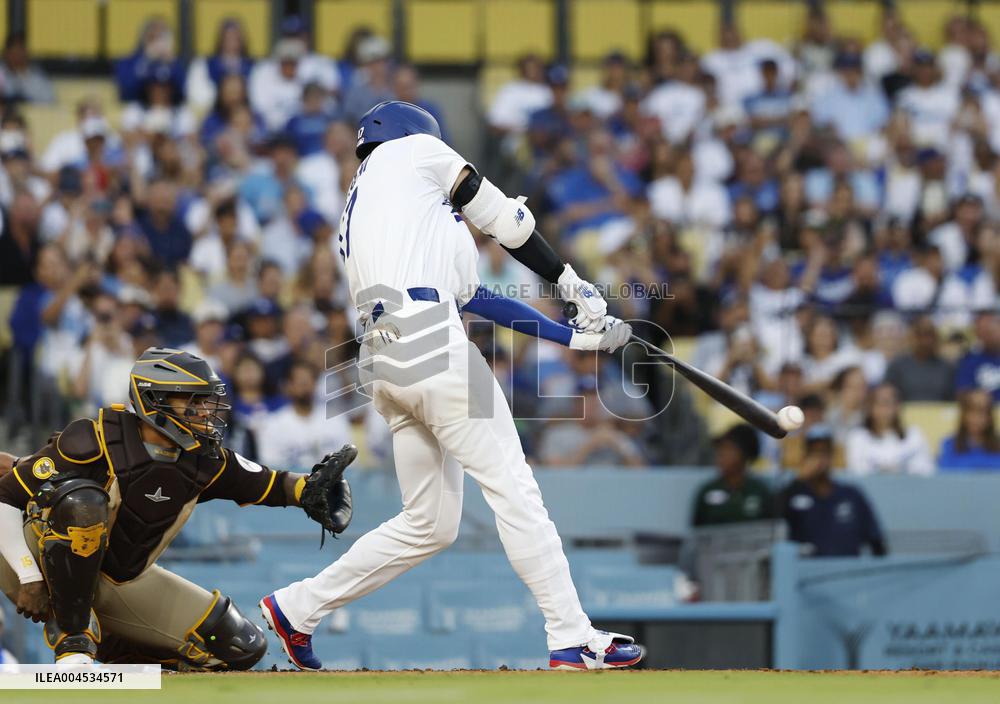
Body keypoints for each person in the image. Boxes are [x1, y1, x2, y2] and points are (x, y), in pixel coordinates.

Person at [260, 100, 642, 672]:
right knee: (515, 487)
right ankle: (572, 636)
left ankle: (297, 608)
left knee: (429, 524)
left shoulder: (370, 208)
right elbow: (509, 222)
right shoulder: (416, 150)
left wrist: (571, 336)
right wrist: (570, 279)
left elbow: (475, 297)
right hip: (430, 341)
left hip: (382, 361)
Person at [0, 348, 353, 665]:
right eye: (194, 402)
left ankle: (118, 652)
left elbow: (271, 484)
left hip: (119, 580)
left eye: (206, 403)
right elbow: (5, 497)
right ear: (154, 400)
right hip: (32, 565)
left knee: (240, 645)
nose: (204, 413)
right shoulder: (91, 439)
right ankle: (73, 644)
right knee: (83, 503)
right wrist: (29, 575)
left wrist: (309, 490)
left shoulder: (206, 461)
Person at [781, 424, 887, 557]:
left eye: (825, 452)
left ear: (832, 456)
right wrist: (799, 479)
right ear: (805, 456)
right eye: (814, 452)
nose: (820, 459)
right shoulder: (794, 493)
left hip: (845, 573)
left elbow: (877, 541)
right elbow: (772, 518)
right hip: (806, 573)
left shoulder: (852, 495)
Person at [256, 359, 351, 471]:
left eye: (309, 382)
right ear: (289, 386)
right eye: (300, 382)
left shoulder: (336, 420)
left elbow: (348, 464)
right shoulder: (273, 424)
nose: (305, 387)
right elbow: (271, 468)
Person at [692, 424, 774, 526]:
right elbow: (696, 533)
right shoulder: (707, 490)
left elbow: (770, 531)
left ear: (745, 454)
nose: (721, 454)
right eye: (720, 449)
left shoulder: (760, 491)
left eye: (729, 449)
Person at [844, 383, 934, 476]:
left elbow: (926, 470)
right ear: (870, 408)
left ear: (898, 406)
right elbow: (858, 473)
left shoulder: (915, 435)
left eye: (890, 403)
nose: (886, 409)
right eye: (881, 403)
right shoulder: (858, 438)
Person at [883, 315, 956, 402]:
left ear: (936, 338)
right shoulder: (897, 366)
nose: (925, 341)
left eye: (929, 335)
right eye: (920, 335)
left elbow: (953, 400)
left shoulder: (947, 368)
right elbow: (887, 396)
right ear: (911, 337)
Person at [938, 389, 1000, 471]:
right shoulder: (949, 445)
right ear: (963, 415)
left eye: (981, 412)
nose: (976, 419)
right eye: (971, 411)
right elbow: (944, 475)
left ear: (989, 417)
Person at [956, 311, 1000, 401]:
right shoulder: (970, 360)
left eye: (994, 331)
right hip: (982, 411)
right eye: (986, 332)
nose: (991, 336)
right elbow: (963, 391)